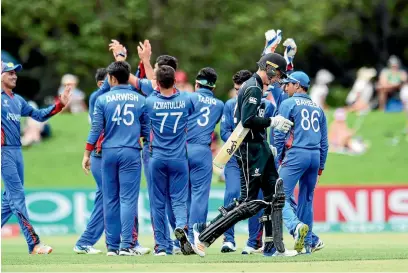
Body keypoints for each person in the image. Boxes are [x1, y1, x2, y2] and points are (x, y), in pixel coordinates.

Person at [192, 53, 296, 257]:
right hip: (250, 148)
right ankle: (204, 234)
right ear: (270, 69)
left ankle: (273, 247)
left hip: (260, 146)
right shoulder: (253, 87)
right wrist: (272, 122)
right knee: (248, 202)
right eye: (277, 75)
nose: (277, 80)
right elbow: (247, 120)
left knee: (275, 195)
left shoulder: (256, 87)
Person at [1, 61, 71, 254]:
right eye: (9, 73)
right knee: (17, 197)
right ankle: (34, 244)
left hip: (16, 151)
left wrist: (60, 104)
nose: (14, 76)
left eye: (15, 73)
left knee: (9, 200)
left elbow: (39, 116)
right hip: (3, 151)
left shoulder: (17, 100)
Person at [82, 61, 149, 256]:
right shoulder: (140, 99)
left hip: (107, 153)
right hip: (130, 151)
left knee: (110, 199)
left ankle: (111, 246)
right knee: (128, 199)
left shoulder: (103, 99)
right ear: (128, 77)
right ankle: (126, 244)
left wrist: (87, 154)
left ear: (111, 78)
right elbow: (145, 129)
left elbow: (95, 130)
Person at [275, 71, 329, 254]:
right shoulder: (317, 107)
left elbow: (279, 134)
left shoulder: (288, 103)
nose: (285, 87)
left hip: (297, 154)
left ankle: (296, 227)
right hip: (314, 156)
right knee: (306, 199)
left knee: (278, 195)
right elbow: (324, 143)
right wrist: (321, 168)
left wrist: (277, 159)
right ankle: (307, 245)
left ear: (298, 85)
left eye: (288, 84)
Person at [220, 70, 273, 254]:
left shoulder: (263, 103)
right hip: (235, 156)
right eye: (235, 90)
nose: (238, 94)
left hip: (254, 157)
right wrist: (239, 140)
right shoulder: (229, 105)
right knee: (233, 194)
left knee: (256, 198)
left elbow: (264, 130)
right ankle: (228, 239)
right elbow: (224, 132)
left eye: (240, 89)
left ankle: (253, 241)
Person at [145, 65, 195, 256]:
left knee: (157, 202)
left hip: (157, 157)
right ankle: (181, 227)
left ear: (157, 83)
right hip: (179, 158)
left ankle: (161, 246)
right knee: (179, 200)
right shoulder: (186, 99)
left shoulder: (149, 102)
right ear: (175, 81)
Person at [182, 68, 224, 249]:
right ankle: (195, 236)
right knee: (200, 195)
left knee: (182, 195)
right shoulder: (219, 105)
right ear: (213, 87)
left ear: (197, 83)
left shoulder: (188, 98)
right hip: (203, 151)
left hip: (182, 150)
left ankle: (180, 236)